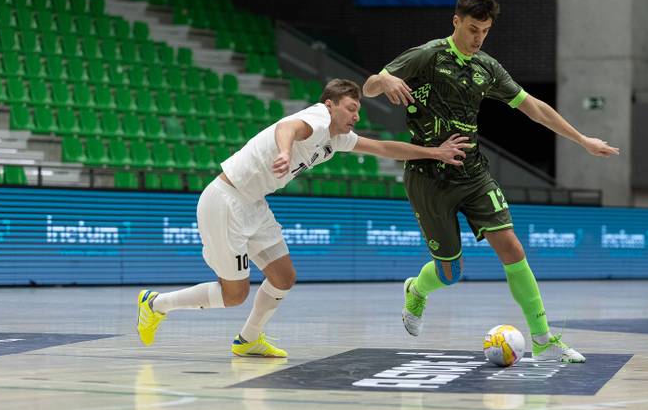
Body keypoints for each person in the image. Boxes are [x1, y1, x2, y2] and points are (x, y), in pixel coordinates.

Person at [362, 0, 619, 364]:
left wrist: (581, 139)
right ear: (456, 22)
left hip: (473, 172)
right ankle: (417, 288)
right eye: (472, 29)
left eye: (484, 30)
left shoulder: (487, 68)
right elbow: (370, 85)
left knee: (512, 247)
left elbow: (533, 107)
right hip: (428, 175)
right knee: (450, 273)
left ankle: (544, 339)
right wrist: (383, 82)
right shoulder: (426, 55)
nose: (478, 37)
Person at [136, 79, 470, 357]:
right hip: (225, 201)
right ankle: (156, 304)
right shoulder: (318, 118)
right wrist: (284, 151)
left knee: (283, 276)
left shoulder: (336, 138)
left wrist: (433, 152)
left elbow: (383, 148)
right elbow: (288, 127)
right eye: (350, 108)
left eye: (358, 110)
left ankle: (249, 339)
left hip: (253, 203)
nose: (355, 116)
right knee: (234, 295)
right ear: (330, 105)